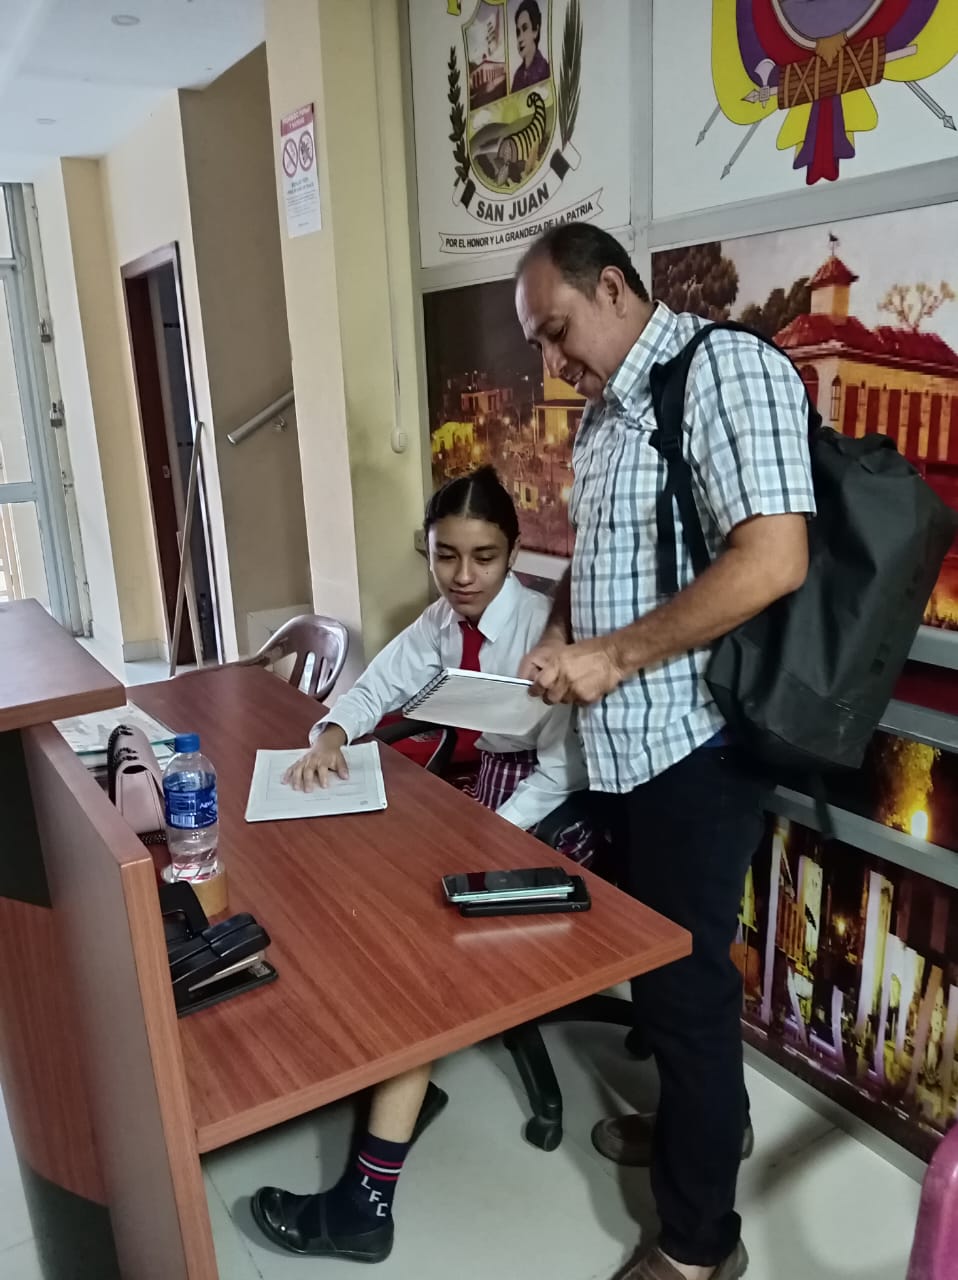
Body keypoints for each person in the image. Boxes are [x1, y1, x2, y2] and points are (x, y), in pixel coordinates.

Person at [514, 223, 815, 1280]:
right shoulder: (609, 413)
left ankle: (696, 1245)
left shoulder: (725, 369)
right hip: (624, 747)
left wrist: (613, 654)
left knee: (687, 997)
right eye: (539, 345)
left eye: (557, 330)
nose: (553, 360)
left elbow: (772, 558)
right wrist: (563, 630)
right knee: (659, 979)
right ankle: (702, 1125)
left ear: (611, 287)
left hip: (697, 742)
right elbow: (596, 553)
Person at [250, 465, 592, 1264]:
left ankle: (366, 1203)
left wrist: (493, 835)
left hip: (552, 807)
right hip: (479, 789)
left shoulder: (542, 627)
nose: (464, 576)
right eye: (446, 556)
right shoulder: (440, 621)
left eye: (484, 557)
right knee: (362, 880)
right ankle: (397, 1070)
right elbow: (373, 689)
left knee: (420, 943)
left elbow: (565, 766)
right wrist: (330, 735)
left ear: (513, 553)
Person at [511, 0, 550, 92]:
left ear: (535, 31)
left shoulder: (545, 70)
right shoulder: (518, 75)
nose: (520, 39)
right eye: (518, 32)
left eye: (525, 28)